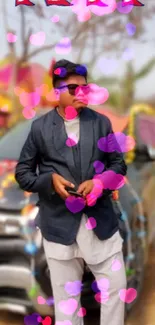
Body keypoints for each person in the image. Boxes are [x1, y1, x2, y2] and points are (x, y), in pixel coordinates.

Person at [15, 59, 127, 325]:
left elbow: (118, 164)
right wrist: (49, 179)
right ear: (57, 93)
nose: (82, 93)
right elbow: (23, 173)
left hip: (100, 225)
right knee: (67, 308)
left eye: (85, 88)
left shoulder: (101, 124)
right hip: (58, 227)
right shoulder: (40, 128)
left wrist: (100, 183)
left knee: (116, 289)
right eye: (74, 89)